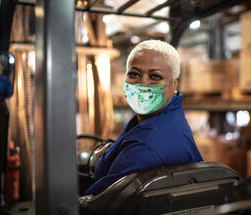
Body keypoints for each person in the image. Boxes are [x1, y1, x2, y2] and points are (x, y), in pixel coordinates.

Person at [85, 40, 203, 195]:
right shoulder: (161, 119)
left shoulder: (145, 146)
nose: (143, 83)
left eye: (155, 76)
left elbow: (96, 201)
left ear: (174, 84)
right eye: (134, 74)